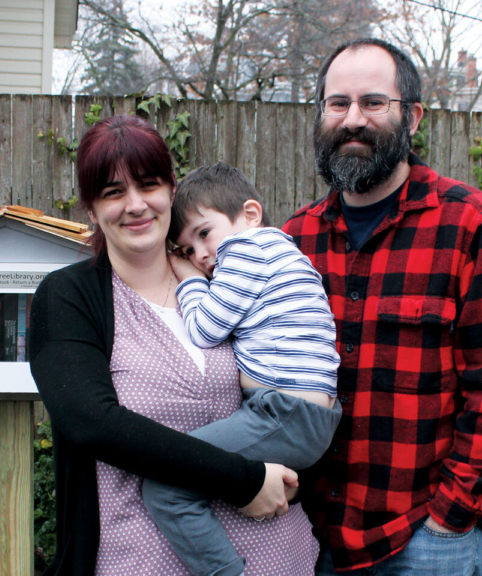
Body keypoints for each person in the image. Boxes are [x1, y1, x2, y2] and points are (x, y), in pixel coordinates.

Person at [281, 38, 482, 576]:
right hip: (306, 539)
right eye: (338, 103)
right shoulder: (294, 239)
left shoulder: (470, 224)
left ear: (413, 117)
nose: (353, 119)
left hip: (421, 543)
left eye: (374, 102)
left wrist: (451, 516)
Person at [29, 115, 319, 576]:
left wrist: (298, 476)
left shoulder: (223, 277)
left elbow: (296, 384)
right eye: (113, 192)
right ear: (91, 209)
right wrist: (242, 481)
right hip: (140, 560)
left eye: (149, 185)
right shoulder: (70, 296)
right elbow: (91, 422)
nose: (136, 205)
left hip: (279, 555)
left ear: (171, 190)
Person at [141, 162, 342, 576]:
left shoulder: (246, 250)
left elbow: (204, 328)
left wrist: (186, 277)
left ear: (250, 214)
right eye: (187, 250)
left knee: (166, 486)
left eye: (203, 234)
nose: (200, 255)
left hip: (283, 414)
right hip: (300, 415)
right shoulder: (281, 252)